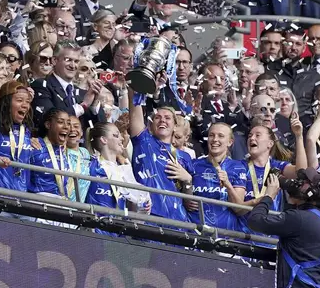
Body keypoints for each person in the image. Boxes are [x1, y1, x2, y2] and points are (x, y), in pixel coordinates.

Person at [128, 88, 194, 222]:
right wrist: (136, 85)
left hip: (177, 218)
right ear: (151, 126)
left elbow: (190, 204)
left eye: (167, 118)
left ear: (175, 126)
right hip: (149, 213)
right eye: (157, 117)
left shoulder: (185, 156)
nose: (162, 120)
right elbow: (134, 109)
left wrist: (187, 180)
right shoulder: (144, 142)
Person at [86, 121, 150, 235]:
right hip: (95, 232)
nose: (121, 138)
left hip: (118, 233)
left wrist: (143, 204)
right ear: (104, 140)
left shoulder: (123, 170)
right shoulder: (91, 166)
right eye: (116, 135)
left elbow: (133, 209)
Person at [185, 123, 248, 231]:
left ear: (230, 142)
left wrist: (228, 185)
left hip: (226, 236)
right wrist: (186, 195)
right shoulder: (194, 164)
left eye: (221, 136)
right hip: (195, 233)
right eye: (211, 135)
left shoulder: (237, 167)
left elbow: (238, 209)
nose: (215, 139)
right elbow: (184, 197)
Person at [0, 81, 31, 196]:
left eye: (27, 101)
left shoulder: (26, 130)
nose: (25, 105)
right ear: (6, 102)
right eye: (19, 100)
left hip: (21, 199)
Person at [29, 108, 72, 199]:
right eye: (61, 122)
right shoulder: (35, 146)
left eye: (68, 123)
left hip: (62, 202)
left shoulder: (63, 151)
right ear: (48, 125)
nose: (66, 126)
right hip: (37, 202)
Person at [66, 115, 91, 202]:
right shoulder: (59, 151)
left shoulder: (85, 153)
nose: (72, 129)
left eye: (76, 126)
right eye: (68, 126)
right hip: (61, 206)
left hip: (80, 210)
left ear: (81, 132)